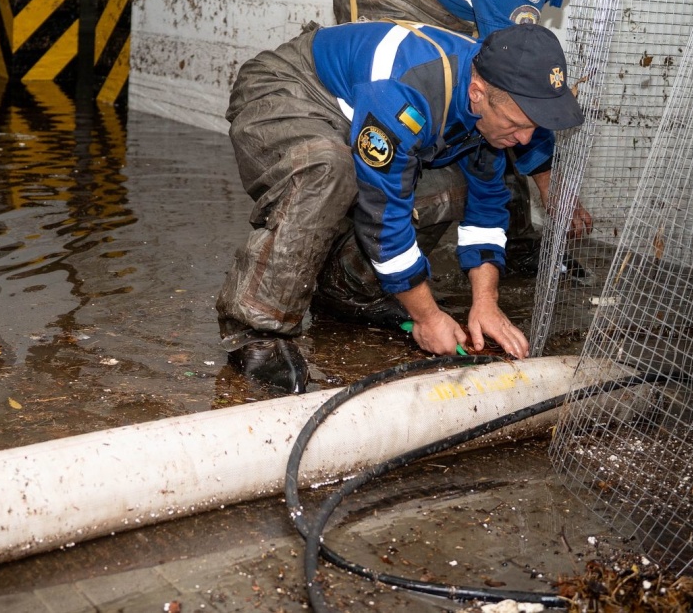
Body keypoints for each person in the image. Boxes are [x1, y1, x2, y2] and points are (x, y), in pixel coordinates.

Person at [216, 20, 584, 394]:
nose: (526, 139)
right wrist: (426, 317)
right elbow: (383, 216)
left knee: (454, 188)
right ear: (477, 93)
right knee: (329, 169)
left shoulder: (489, 101)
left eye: (534, 128)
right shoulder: (408, 92)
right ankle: (256, 328)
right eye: (517, 125)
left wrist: (485, 303)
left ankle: (348, 287)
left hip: (360, 111)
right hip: (288, 89)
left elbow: (486, 206)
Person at [331, 0, 661, 238]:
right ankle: (367, 258)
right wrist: (550, 184)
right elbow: (513, 81)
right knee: (406, 123)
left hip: (437, 0)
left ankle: (508, 236)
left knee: (489, 114)